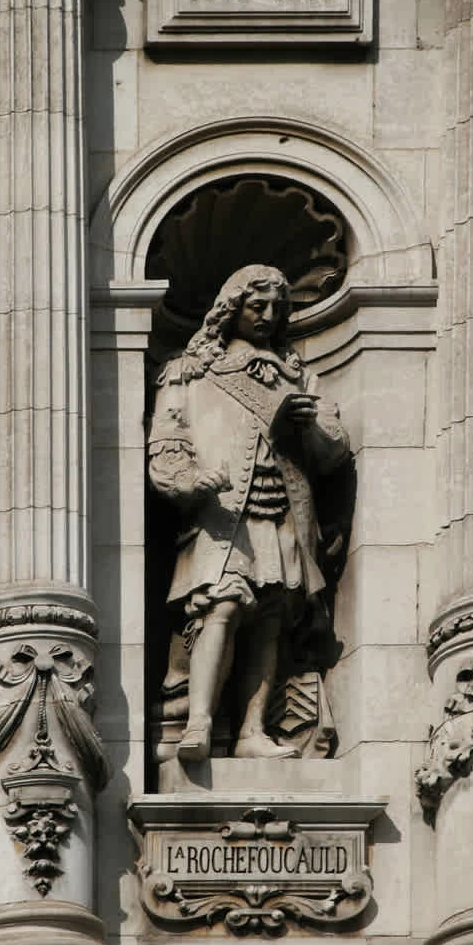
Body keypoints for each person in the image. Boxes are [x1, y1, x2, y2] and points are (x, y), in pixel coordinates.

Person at [148, 264, 350, 761]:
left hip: (281, 512)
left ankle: (252, 732)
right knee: (223, 604)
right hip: (220, 515)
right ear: (231, 308)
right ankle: (199, 722)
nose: (266, 316)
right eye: (255, 306)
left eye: (277, 308)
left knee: (273, 615)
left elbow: (335, 451)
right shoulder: (189, 371)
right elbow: (167, 442)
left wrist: (305, 428)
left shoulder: (298, 376)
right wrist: (188, 482)